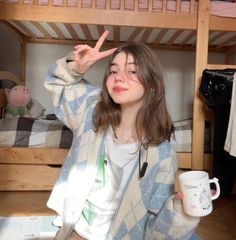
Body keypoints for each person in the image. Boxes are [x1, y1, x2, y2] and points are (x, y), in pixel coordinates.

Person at [45, 31, 200, 240]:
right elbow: (59, 85)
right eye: (113, 70)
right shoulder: (91, 112)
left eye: (132, 71)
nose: (118, 77)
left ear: (152, 84)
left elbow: (157, 227)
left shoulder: (162, 155)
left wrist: (183, 213)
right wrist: (76, 67)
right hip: (77, 231)